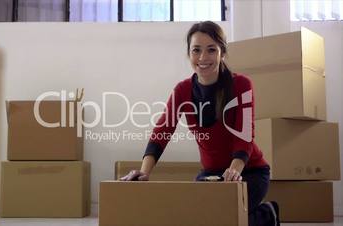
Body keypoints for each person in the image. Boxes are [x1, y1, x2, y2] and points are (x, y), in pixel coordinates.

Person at [120, 21, 280, 226]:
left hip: (249, 172)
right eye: (196, 50)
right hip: (211, 175)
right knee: (199, 217)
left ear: (222, 52)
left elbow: (245, 135)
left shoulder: (241, 85)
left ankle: (267, 214)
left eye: (211, 50)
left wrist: (234, 170)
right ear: (189, 54)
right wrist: (144, 172)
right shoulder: (182, 90)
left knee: (224, 218)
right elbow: (162, 131)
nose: (203, 58)